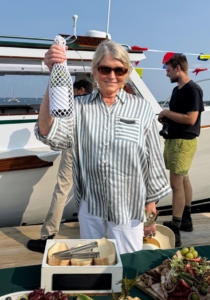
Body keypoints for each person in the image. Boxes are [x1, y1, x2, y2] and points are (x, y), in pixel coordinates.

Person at [34, 39, 171, 254]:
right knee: (92, 264)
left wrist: (151, 207)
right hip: (91, 206)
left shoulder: (141, 108)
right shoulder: (79, 107)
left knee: (128, 267)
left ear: (126, 72)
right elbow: (47, 134)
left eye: (119, 70)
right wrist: (53, 76)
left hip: (129, 208)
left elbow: (153, 158)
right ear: (95, 71)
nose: (112, 76)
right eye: (105, 68)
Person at [27, 79, 93, 253]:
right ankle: (92, 231)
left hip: (73, 147)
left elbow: (59, 127)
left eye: (73, 90)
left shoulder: (74, 104)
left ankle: (47, 237)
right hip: (94, 149)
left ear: (80, 89)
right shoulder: (97, 104)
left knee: (62, 190)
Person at [158, 54, 204, 247]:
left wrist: (167, 113)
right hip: (175, 140)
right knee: (183, 179)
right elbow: (181, 116)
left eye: (168, 69)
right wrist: (168, 118)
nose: (166, 73)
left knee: (176, 183)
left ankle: (176, 230)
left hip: (183, 141)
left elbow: (191, 119)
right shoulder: (178, 90)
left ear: (177, 68)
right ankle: (185, 220)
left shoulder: (193, 89)